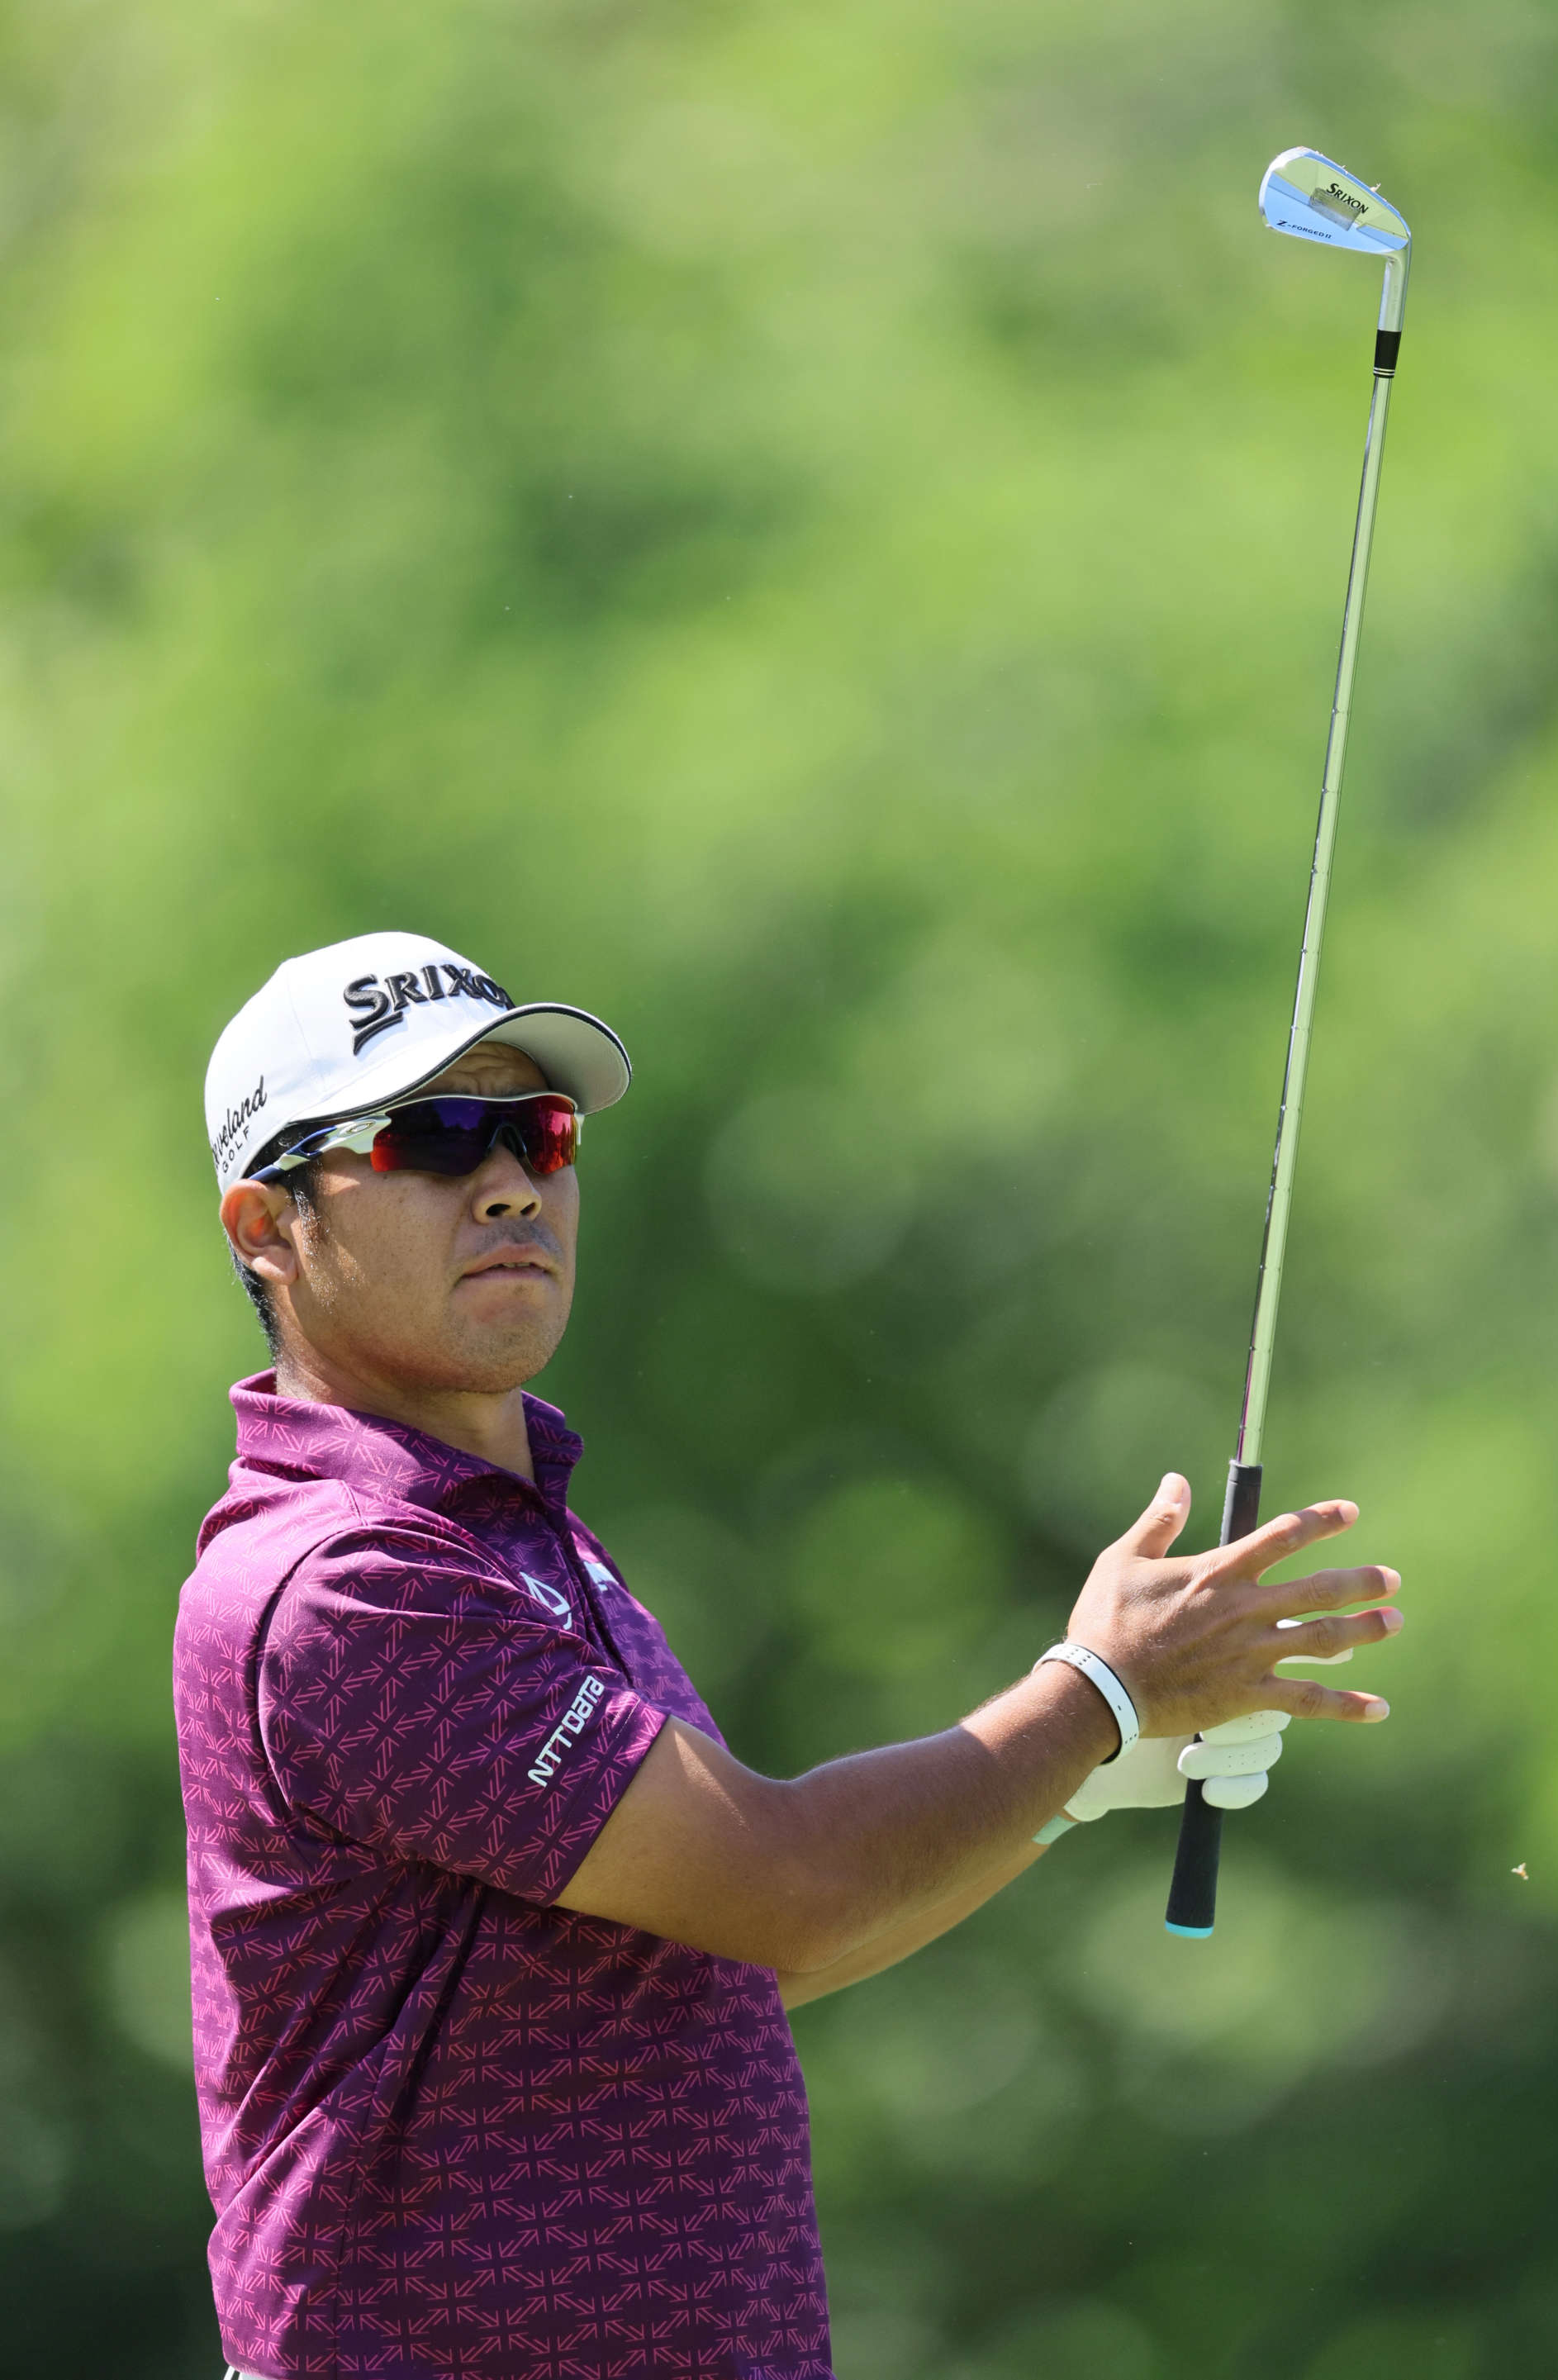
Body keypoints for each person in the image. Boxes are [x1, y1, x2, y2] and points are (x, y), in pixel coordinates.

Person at [176, 929, 1404, 2380]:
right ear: (267, 1225)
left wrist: (1072, 1778)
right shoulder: (342, 1582)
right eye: (433, 1136)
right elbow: (794, 1889)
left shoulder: (509, 1530)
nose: (511, 1180)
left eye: (537, 1128)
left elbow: (710, 1954)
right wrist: (1098, 1696)